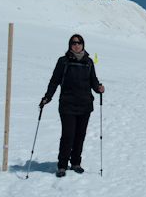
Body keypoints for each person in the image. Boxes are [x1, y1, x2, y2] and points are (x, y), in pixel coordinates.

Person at [40, 34, 105, 178]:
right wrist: (47, 97)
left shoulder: (88, 62)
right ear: (70, 45)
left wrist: (99, 88)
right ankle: (62, 165)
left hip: (85, 104)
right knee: (68, 135)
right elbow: (54, 81)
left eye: (80, 43)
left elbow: (93, 80)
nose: (77, 45)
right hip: (67, 104)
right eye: (74, 43)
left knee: (80, 135)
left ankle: (76, 162)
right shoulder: (63, 61)